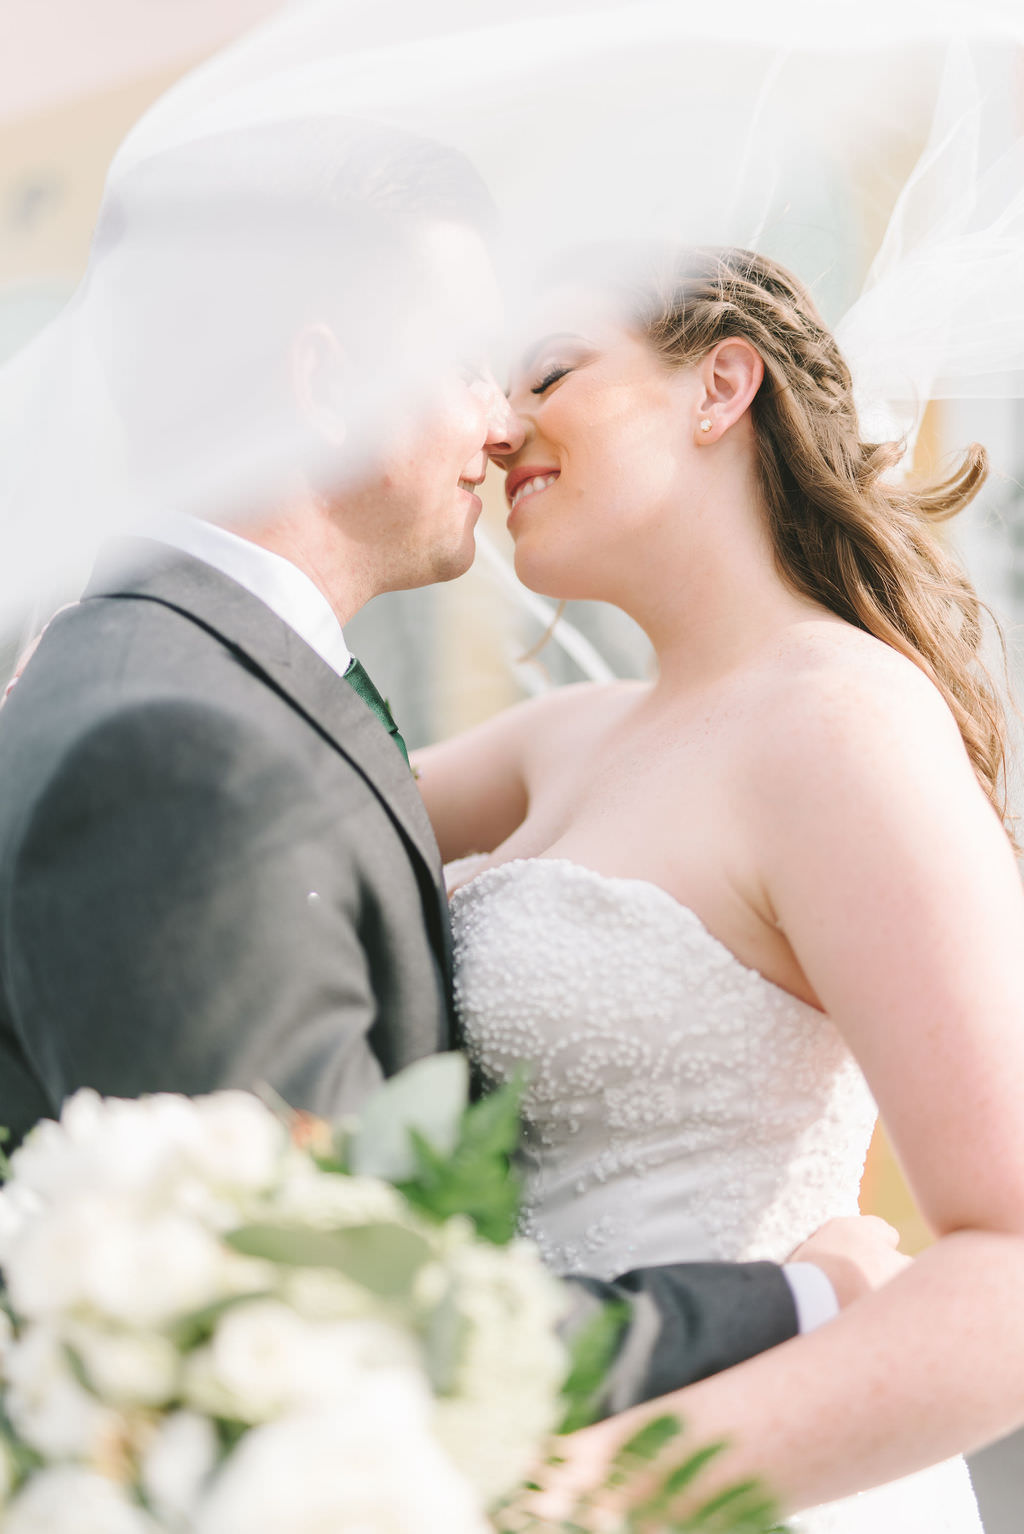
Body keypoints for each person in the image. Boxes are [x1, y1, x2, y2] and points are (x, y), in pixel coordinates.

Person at [0, 126, 894, 1433]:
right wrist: (800, 1299)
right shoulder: (181, 751)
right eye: (468, 358)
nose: (500, 419)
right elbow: (338, 1299)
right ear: (322, 384)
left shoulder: (195, 686)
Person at [413, 245, 1024, 1529]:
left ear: (719, 387)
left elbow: (1010, 1266)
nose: (501, 420)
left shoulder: (838, 724)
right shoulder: (559, 737)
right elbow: (272, 793)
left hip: (718, 1485)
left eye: (550, 371)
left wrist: (593, 1491)